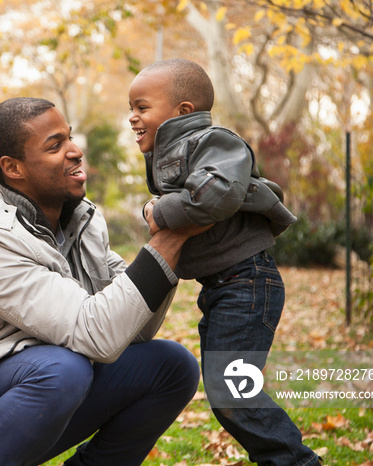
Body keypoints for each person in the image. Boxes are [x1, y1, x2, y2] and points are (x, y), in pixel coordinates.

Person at [0, 97, 206, 466]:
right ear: (13, 168)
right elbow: (97, 335)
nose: (75, 152)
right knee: (62, 369)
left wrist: (169, 241)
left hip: (39, 389)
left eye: (70, 138)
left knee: (171, 366)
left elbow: (133, 330)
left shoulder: (82, 220)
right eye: (55, 145)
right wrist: (168, 239)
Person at [128, 58, 321, 466]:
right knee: (227, 392)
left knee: (231, 391)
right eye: (132, 108)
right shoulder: (173, 153)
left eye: (142, 107)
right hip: (223, 287)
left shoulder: (214, 140)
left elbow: (215, 195)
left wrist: (158, 212)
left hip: (247, 283)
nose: (132, 117)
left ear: (183, 111)